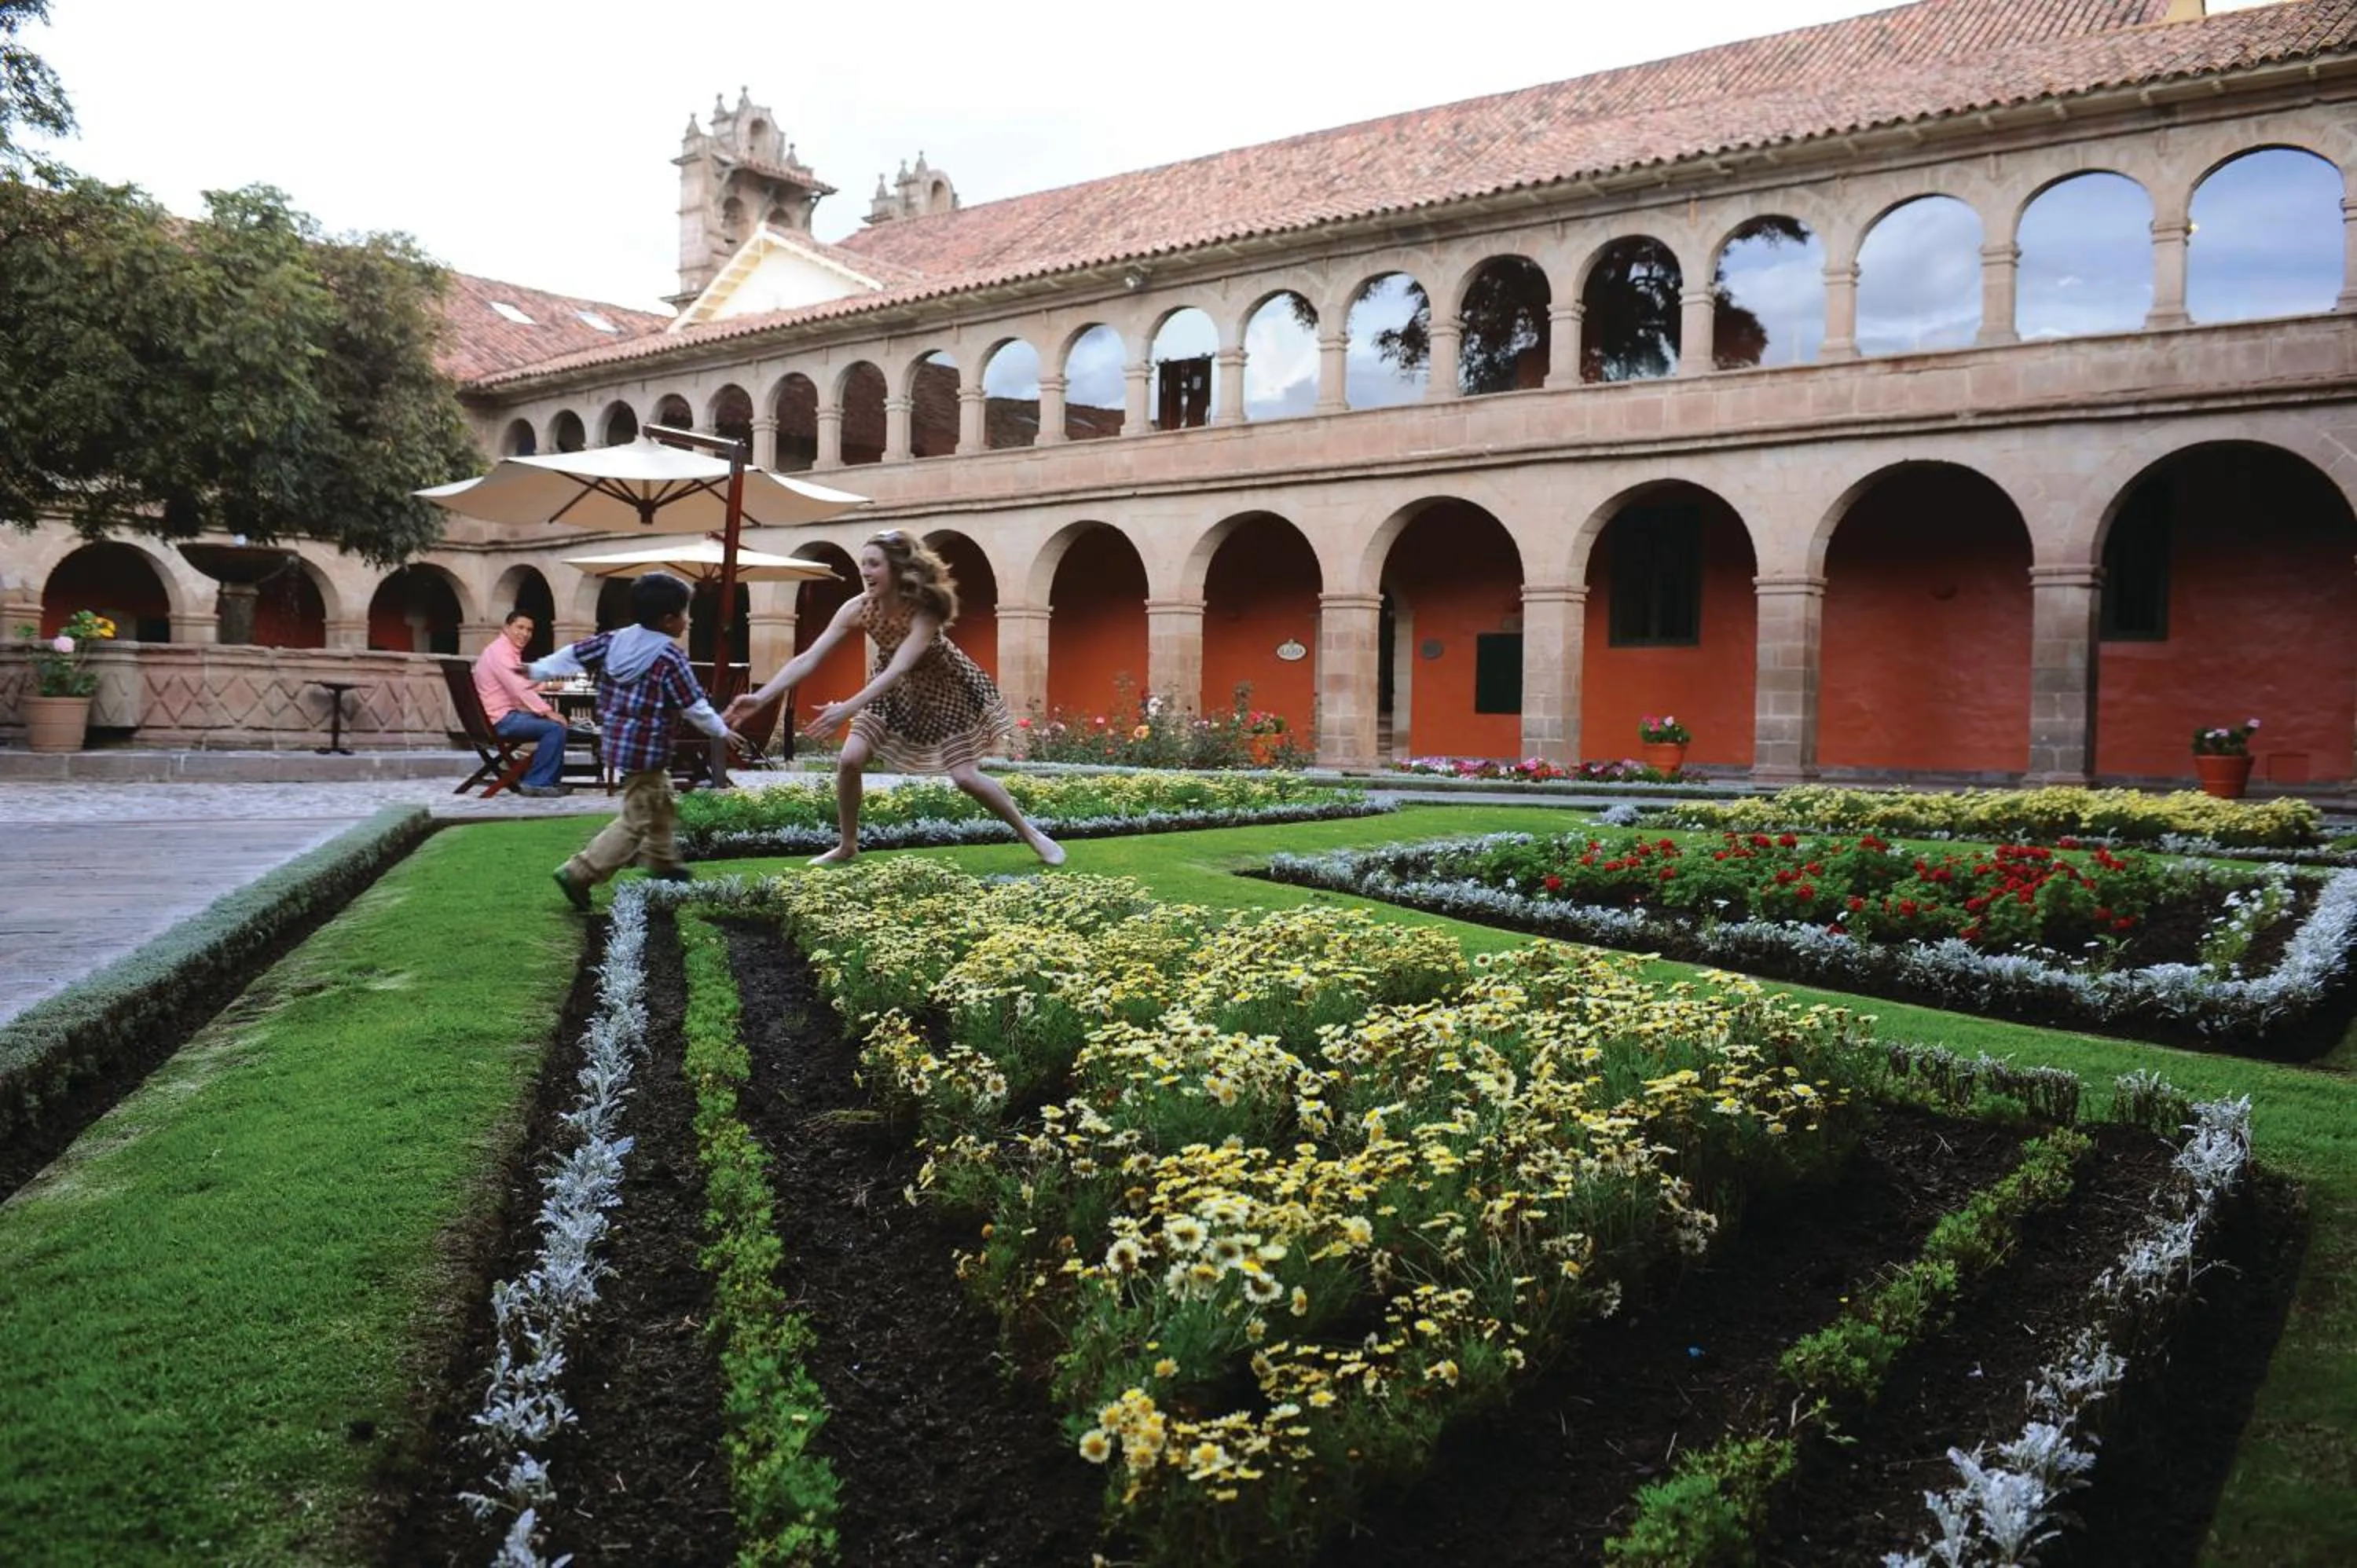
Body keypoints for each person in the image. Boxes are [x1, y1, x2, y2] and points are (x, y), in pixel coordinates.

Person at [726, 529, 1063, 868]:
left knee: (965, 777)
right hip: (889, 693)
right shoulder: (857, 608)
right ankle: (848, 846)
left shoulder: (925, 610)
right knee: (850, 760)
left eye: (874, 564)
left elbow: (900, 667)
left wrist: (847, 708)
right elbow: (808, 658)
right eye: (863, 565)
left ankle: (1031, 834)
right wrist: (762, 698)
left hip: (943, 691)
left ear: (898, 568)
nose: (866, 572)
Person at [529, 572, 738, 909]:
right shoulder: (669, 657)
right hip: (649, 748)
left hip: (617, 743)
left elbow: (573, 654)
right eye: (685, 613)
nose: (688, 620)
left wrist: (538, 670)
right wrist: (722, 730)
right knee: (636, 818)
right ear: (669, 620)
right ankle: (580, 871)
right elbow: (693, 704)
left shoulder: (614, 641)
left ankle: (662, 861)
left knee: (661, 797)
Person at [472, 609, 570, 797]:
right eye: (520, 627)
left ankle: (548, 780)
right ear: (507, 628)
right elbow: (519, 687)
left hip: (495, 718)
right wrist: (547, 711)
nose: (525, 634)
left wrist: (547, 685)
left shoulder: (501, 650)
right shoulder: (501, 652)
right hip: (500, 720)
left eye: (529, 630)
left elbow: (518, 682)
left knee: (555, 725)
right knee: (555, 727)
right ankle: (538, 783)